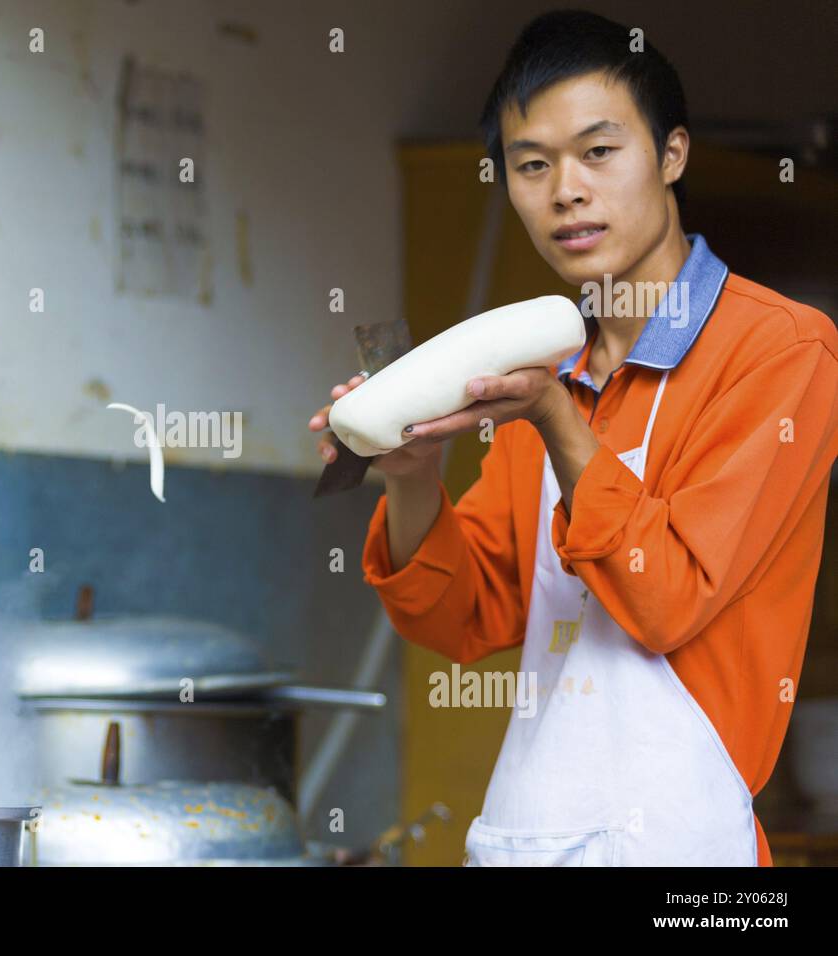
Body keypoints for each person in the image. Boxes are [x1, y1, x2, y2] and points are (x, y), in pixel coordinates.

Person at [309, 9, 838, 866]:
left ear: (672, 154)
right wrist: (412, 475)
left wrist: (555, 419)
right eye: (531, 165)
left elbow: (667, 601)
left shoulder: (780, 351)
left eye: (598, 152)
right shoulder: (549, 370)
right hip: (528, 841)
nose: (565, 191)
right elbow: (462, 617)